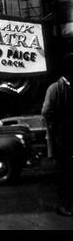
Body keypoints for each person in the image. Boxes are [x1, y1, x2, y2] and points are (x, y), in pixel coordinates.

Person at [41, 53, 73, 217]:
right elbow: (47, 112)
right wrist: (57, 129)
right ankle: (65, 205)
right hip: (64, 137)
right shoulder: (55, 88)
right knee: (65, 173)